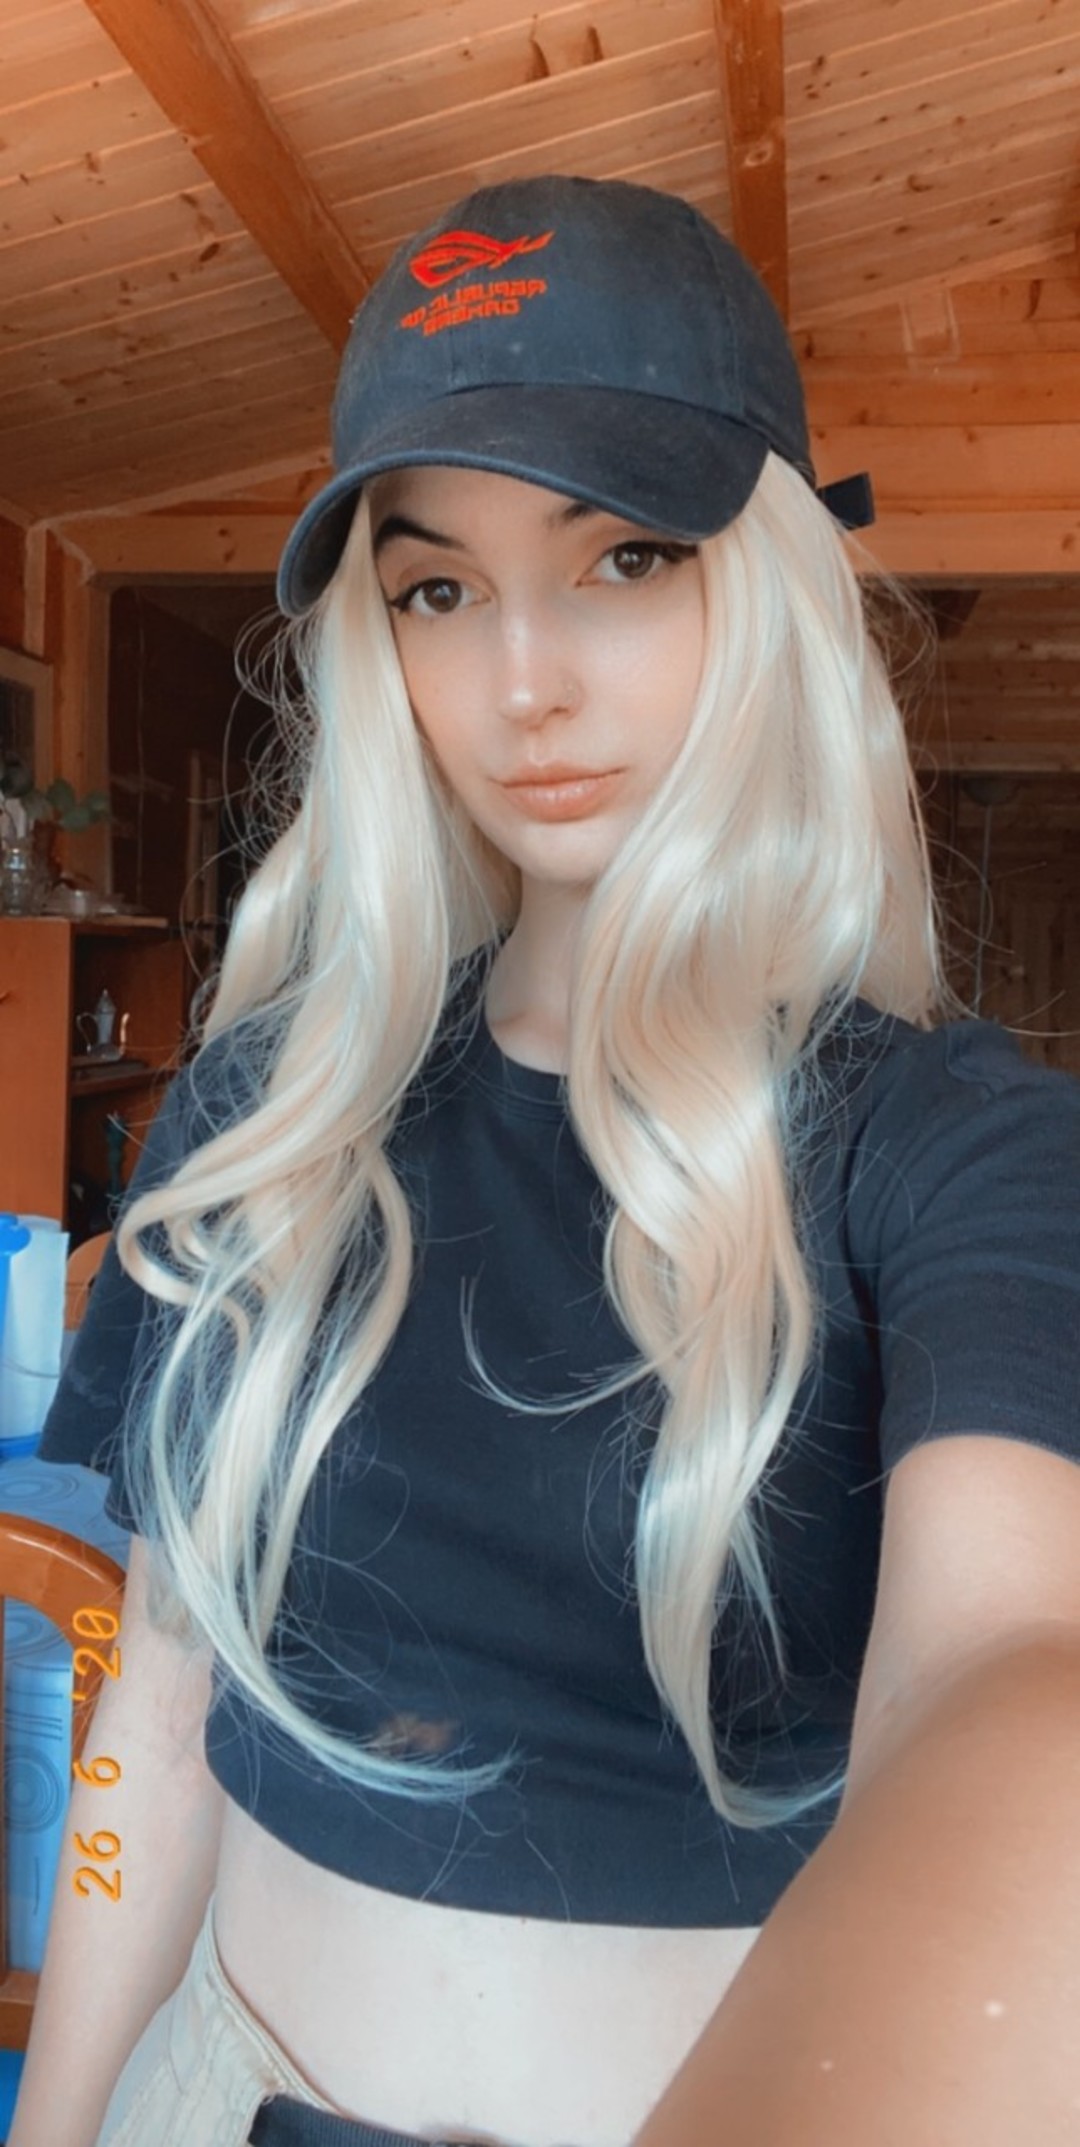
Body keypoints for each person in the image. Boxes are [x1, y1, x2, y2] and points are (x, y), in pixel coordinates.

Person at [15, 174, 1080, 2147]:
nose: (524, 681)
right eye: (437, 589)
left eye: (624, 560)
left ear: (765, 585)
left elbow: (1019, 1670)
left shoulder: (956, 1151)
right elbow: (157, 1717)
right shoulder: (262, 1111)